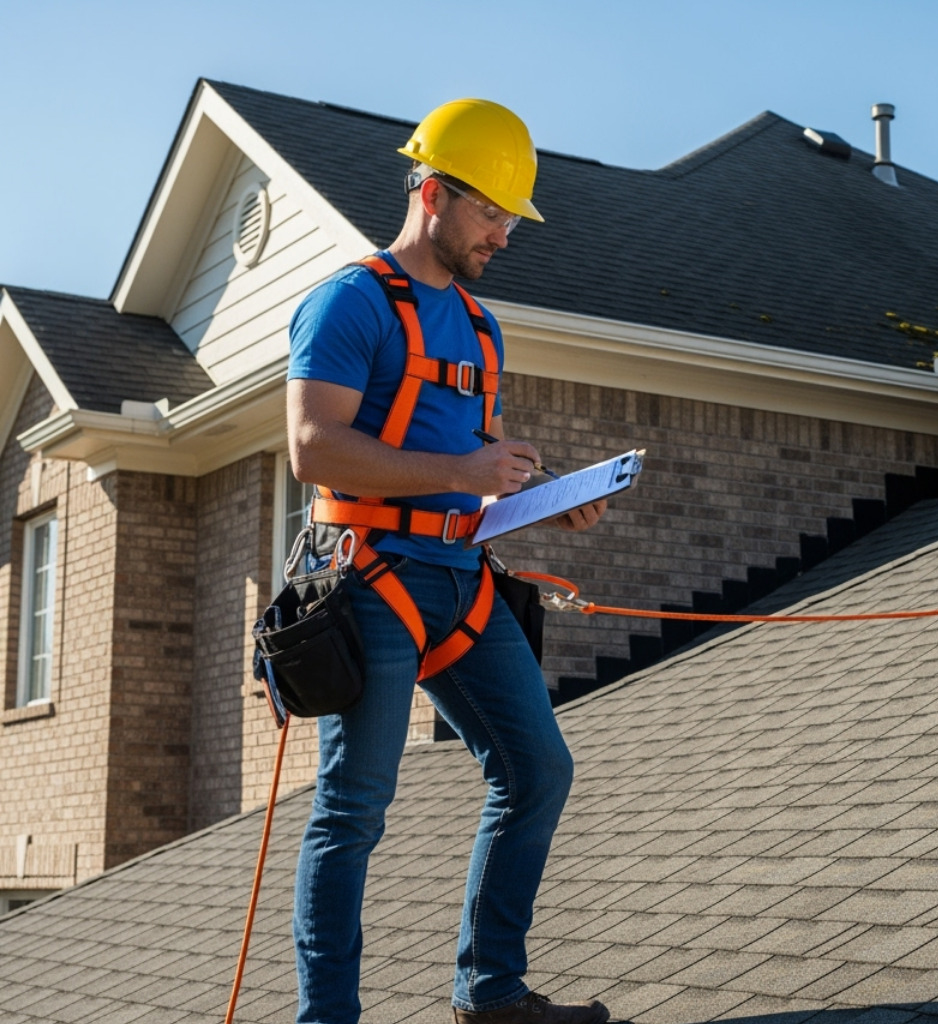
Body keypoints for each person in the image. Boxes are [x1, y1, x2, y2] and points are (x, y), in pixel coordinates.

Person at [285, 98, 611, 1024]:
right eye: (490, 213)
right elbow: (313, 448)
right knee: (353, 812)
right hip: (371, 579)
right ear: (432, 192)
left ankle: (491, 991)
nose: (504, 235)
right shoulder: (347, 302)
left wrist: (544, 498)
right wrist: (462, 470)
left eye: (513, 218)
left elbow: (478, 477)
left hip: (460, 583)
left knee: (539, 769)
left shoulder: (479, 327)